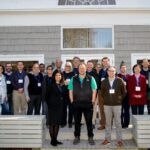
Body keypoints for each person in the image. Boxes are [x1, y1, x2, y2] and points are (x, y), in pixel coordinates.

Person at [68, 63, 97, 145]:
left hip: (88, 104)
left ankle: (90, 137)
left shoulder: (91, 78)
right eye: (80, 68)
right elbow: (70, 90)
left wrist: (93, 100)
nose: (82, 69)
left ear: (86, 69)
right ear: (78, 69)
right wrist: (72, 101)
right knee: (77, 122)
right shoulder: (73, 78)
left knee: (89, 122)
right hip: (76, 104)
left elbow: (94, 90)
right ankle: (77, 137)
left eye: (83, 68)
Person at [101, 66, 126, 147]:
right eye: (110, 71)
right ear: (107, 72)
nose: (111, 72)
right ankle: (107, 139)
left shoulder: (119, 80)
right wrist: (106, 99)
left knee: (118, 123)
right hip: (107, 105)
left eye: (113, 71)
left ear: (115, 72)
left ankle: (119, 140)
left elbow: (124, 92)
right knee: (108, 123)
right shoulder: (104, 81)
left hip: (117, 105)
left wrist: (119, 99)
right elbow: (102, 93)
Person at [46, 70, 66, 146]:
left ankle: (55, 139)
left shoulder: (62, 85)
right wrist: (50, 105)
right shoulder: (51, 85)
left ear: (61, 77)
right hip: (52, 107)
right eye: (57, 75)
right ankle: (52, 140)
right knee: (52, 124)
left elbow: (64, 96)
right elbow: (46, 96)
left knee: (57, 124)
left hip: (60, 107)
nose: (58, 77)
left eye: (60, 75)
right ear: (54, 76)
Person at [98, 57, 110, 130]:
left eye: (106, 61)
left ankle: (109, 125)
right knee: (101, 109)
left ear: (108, 62)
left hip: (109, 92)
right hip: (101, 92)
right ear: (102, 62)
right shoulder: (100, 71)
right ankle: (103, 124)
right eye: (104, 61)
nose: (105, 63)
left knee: (108, 109)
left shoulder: (112, 70)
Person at [86, 60, 99, 129]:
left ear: (92, 66)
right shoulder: (83, 73)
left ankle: (93, 122)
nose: (89, 66)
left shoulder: (96, 74)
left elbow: (97, 85)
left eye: (91, 65)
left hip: (94, 94)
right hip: (85, 95)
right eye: (88, 65)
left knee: (93, 109)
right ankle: (86, 122)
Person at [117, 61, 130, 128]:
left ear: (126, 68)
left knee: (127, 111)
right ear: (120, 69)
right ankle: (121, 124)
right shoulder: (118, 76)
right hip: (120, 96)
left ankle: (126, 124)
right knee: (120, 111)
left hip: (127, 96)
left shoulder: (129, 76)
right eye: (122, 67)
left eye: (124, 67)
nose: (123, 69)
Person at [62, 62, 75, 128]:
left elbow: (75, 82)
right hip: (63, 94)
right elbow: (59, 82)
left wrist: (70, 83)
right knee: (63, 109)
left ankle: (70, 122)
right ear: (65, 66)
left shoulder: (73, 74)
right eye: (67, 66)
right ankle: (63, 122)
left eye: (69, 66)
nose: (68, 67)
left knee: (71, 109)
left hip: (71, 94)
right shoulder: (62, 73)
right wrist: (63, 83)